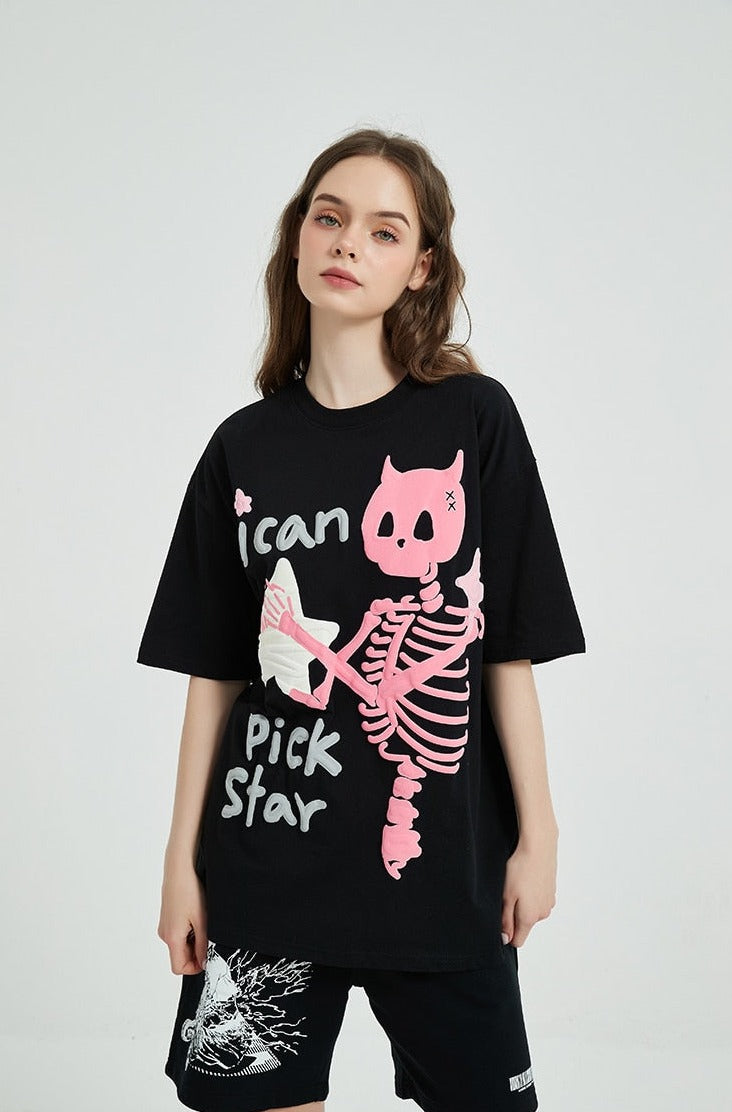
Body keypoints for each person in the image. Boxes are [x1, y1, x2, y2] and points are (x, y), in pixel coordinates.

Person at [137, 126, 586, 1112]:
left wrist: (539, 832)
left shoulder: (474, 420)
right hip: (265, 865)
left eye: (385, 231)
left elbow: (504, 647)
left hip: (441, 876)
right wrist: (180, 860)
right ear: (298, 237)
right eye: (329, 218)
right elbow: (218, 671)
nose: (348, 242)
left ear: (421, 266)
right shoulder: (242, 450)